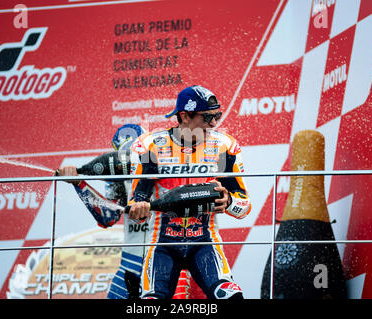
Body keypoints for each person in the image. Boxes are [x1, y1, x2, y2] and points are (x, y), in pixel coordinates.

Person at [127, 85, 252, 299]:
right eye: (208, 117)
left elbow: (244, 207)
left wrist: (229, 201)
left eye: (217, 115)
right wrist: (138, 208)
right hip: (163, 244)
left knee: (231, 297)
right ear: (184, 116)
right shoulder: (150, 146)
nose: (214, 123)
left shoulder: (224, 147)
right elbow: (137, 202)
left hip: (205, 242)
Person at [57, 124, 190, 299]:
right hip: (130, 265)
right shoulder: (118, 178)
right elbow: (107, 217)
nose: (129, 162)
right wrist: (78, 183)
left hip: (168, 263)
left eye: (134, 153)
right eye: (124, 155)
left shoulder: (172, 168)